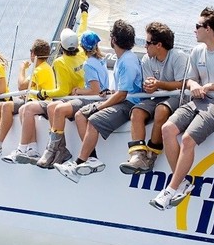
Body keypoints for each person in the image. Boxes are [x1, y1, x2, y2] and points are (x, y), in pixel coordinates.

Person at [150, 7, 214, 210]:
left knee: (187, 139)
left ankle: (170, 189)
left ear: (209, 29)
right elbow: (192, 79)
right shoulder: (196, 51)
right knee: (167, 129)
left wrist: (211, 87)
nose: (194, 30)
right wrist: (194, 86)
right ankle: (181, 183)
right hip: (197, 101)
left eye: (197, 26)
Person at [53, 19, 144, 183]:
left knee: (93, 119)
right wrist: (110, 93)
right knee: (81, 114)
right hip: (120, 98)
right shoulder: (120, 59)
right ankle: (92, 158)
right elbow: (121, 90)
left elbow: (124, 94)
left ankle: (78, 163)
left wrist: (101, 106)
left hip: (129, 104)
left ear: (114, 40)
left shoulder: (128, 60)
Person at [0, 28, 86, 164]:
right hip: (76, 96)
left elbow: (24, 86)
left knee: (27, 108)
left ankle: (23, 148)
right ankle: (32, 148)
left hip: (62, 99)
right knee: (25, 108)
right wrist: (85, 15)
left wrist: (42, 91)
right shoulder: (81, 53)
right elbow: (82, 30)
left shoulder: (56, 63)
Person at [31, 29, 109, 167]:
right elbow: (82, 28)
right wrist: (84, 14)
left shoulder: (86, 63)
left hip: (89, 98)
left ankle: (56, 149)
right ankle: (58, 149)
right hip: (88, 96)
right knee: (51, 107)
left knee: (58, 110)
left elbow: (91, 90)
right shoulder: (95, 59)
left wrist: (44, 94)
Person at [0, 39, 55, 158]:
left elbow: (21, 86)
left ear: (33, 53)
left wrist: (22, 69)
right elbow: (29, 86)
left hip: (36, 102)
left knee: (6, 106)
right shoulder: (42, 68)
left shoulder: (40, 69)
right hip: (32, 100)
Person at [120, 22, 188, 174]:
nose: (145, 46)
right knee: (136, 112)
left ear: (159, 45)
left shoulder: (178, 57)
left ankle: (151, 156)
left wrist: (158, 84)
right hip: (158, 96)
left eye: (147, 43)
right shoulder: (146, 59)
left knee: (161, 110)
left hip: (178, 96)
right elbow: (151, 86)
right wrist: (149, 86)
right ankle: (138, 155)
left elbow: (183, 84)